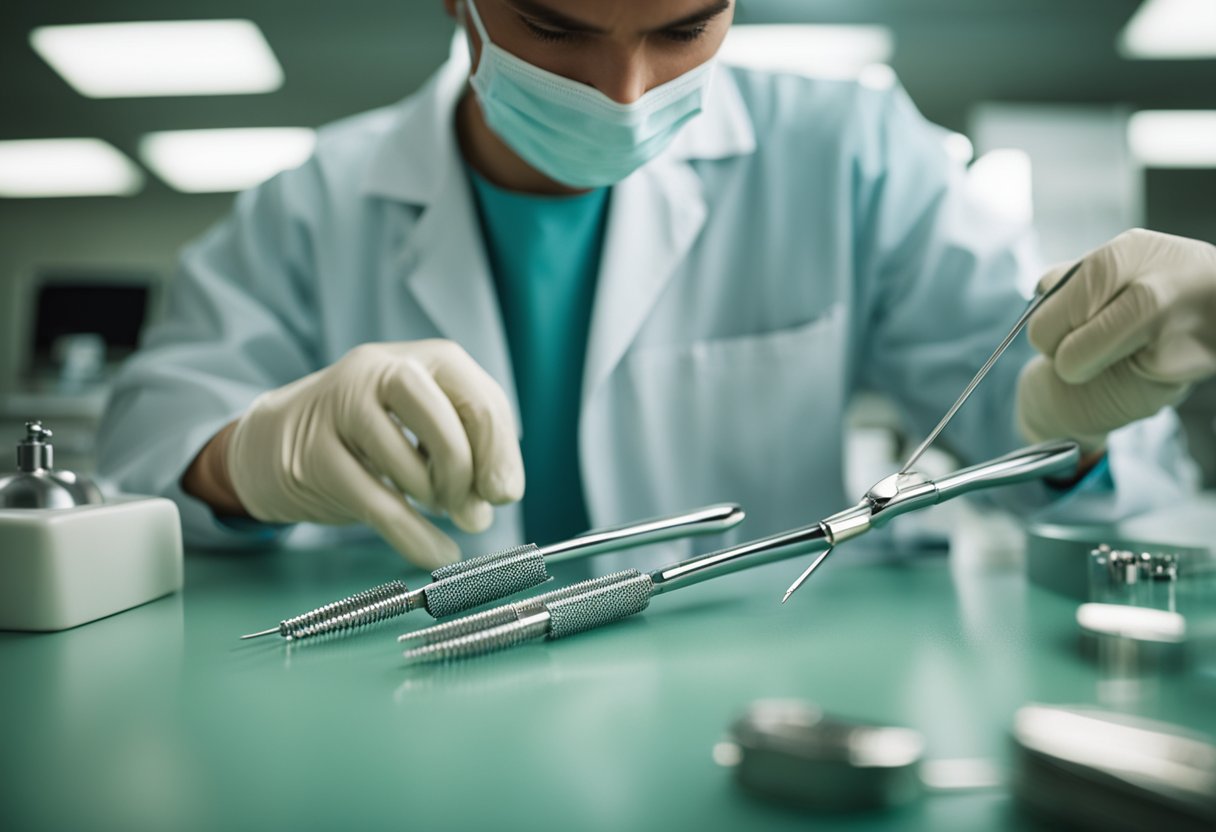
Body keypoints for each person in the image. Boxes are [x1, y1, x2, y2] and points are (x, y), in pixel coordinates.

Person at [97, 0, 1211, 571]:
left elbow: (1095, 472)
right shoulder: (316, 200)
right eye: (553, 27)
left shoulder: (854, 153)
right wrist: (245, 459)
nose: (624, 93)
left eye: (684, 28)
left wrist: (1080, 422)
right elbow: (143, 443)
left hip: (746, 707)